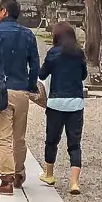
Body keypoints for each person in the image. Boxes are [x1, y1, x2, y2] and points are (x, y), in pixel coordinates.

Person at [0, 0, 40, 194]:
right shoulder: (28, 34)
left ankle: (6, 180)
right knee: (19, 137)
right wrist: (31, 86)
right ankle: (19, 172)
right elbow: (35, 64)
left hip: (2, 88)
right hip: (21, 89)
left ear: (4, 11)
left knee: (4, 136)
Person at [39, 21, 88, 193]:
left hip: (56, 102)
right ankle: (74, 182)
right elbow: (83, 75)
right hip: (75, 102)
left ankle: (49, 174)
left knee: (52, 139)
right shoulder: (78, 53)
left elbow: (42, 73)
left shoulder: (53, 53)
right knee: (74, 143)